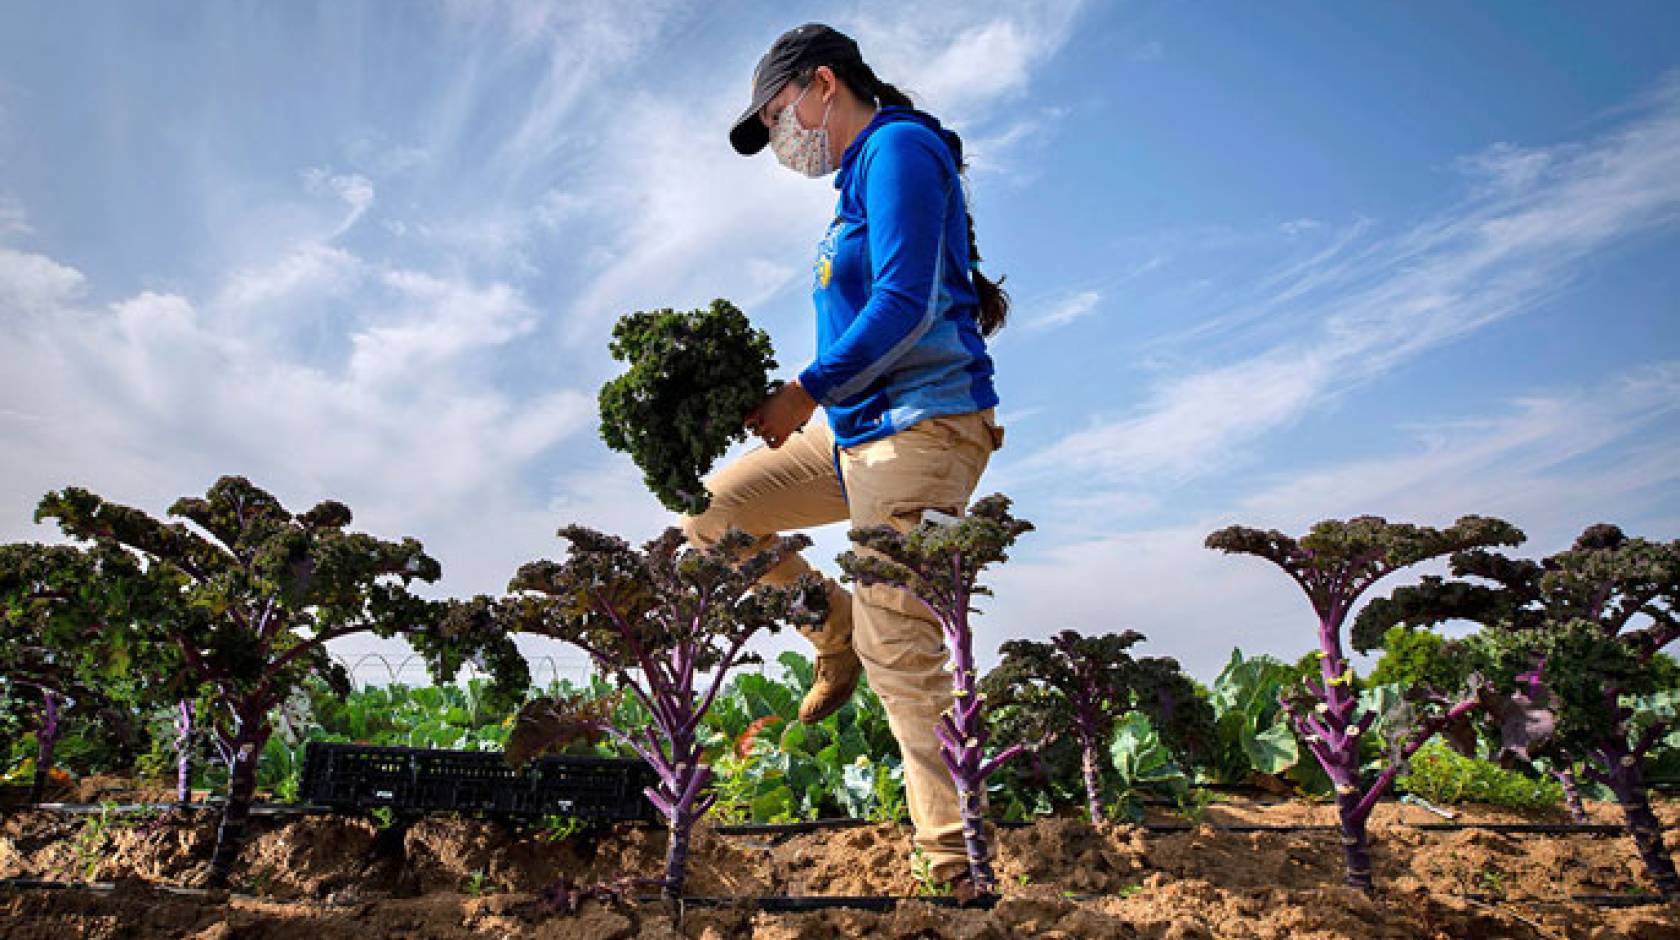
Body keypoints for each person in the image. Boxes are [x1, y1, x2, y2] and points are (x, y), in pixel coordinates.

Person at [680, 22, 1009, 889]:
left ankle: (957, 867)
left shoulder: (900, 149)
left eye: (778, 116)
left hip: (921, 426)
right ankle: (832, 628)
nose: (780, 140)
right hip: (855, 425)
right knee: (715, 516)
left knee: (901, 643)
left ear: (824, 85)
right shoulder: (858, 176)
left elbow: (905, 303)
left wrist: (806, 390)